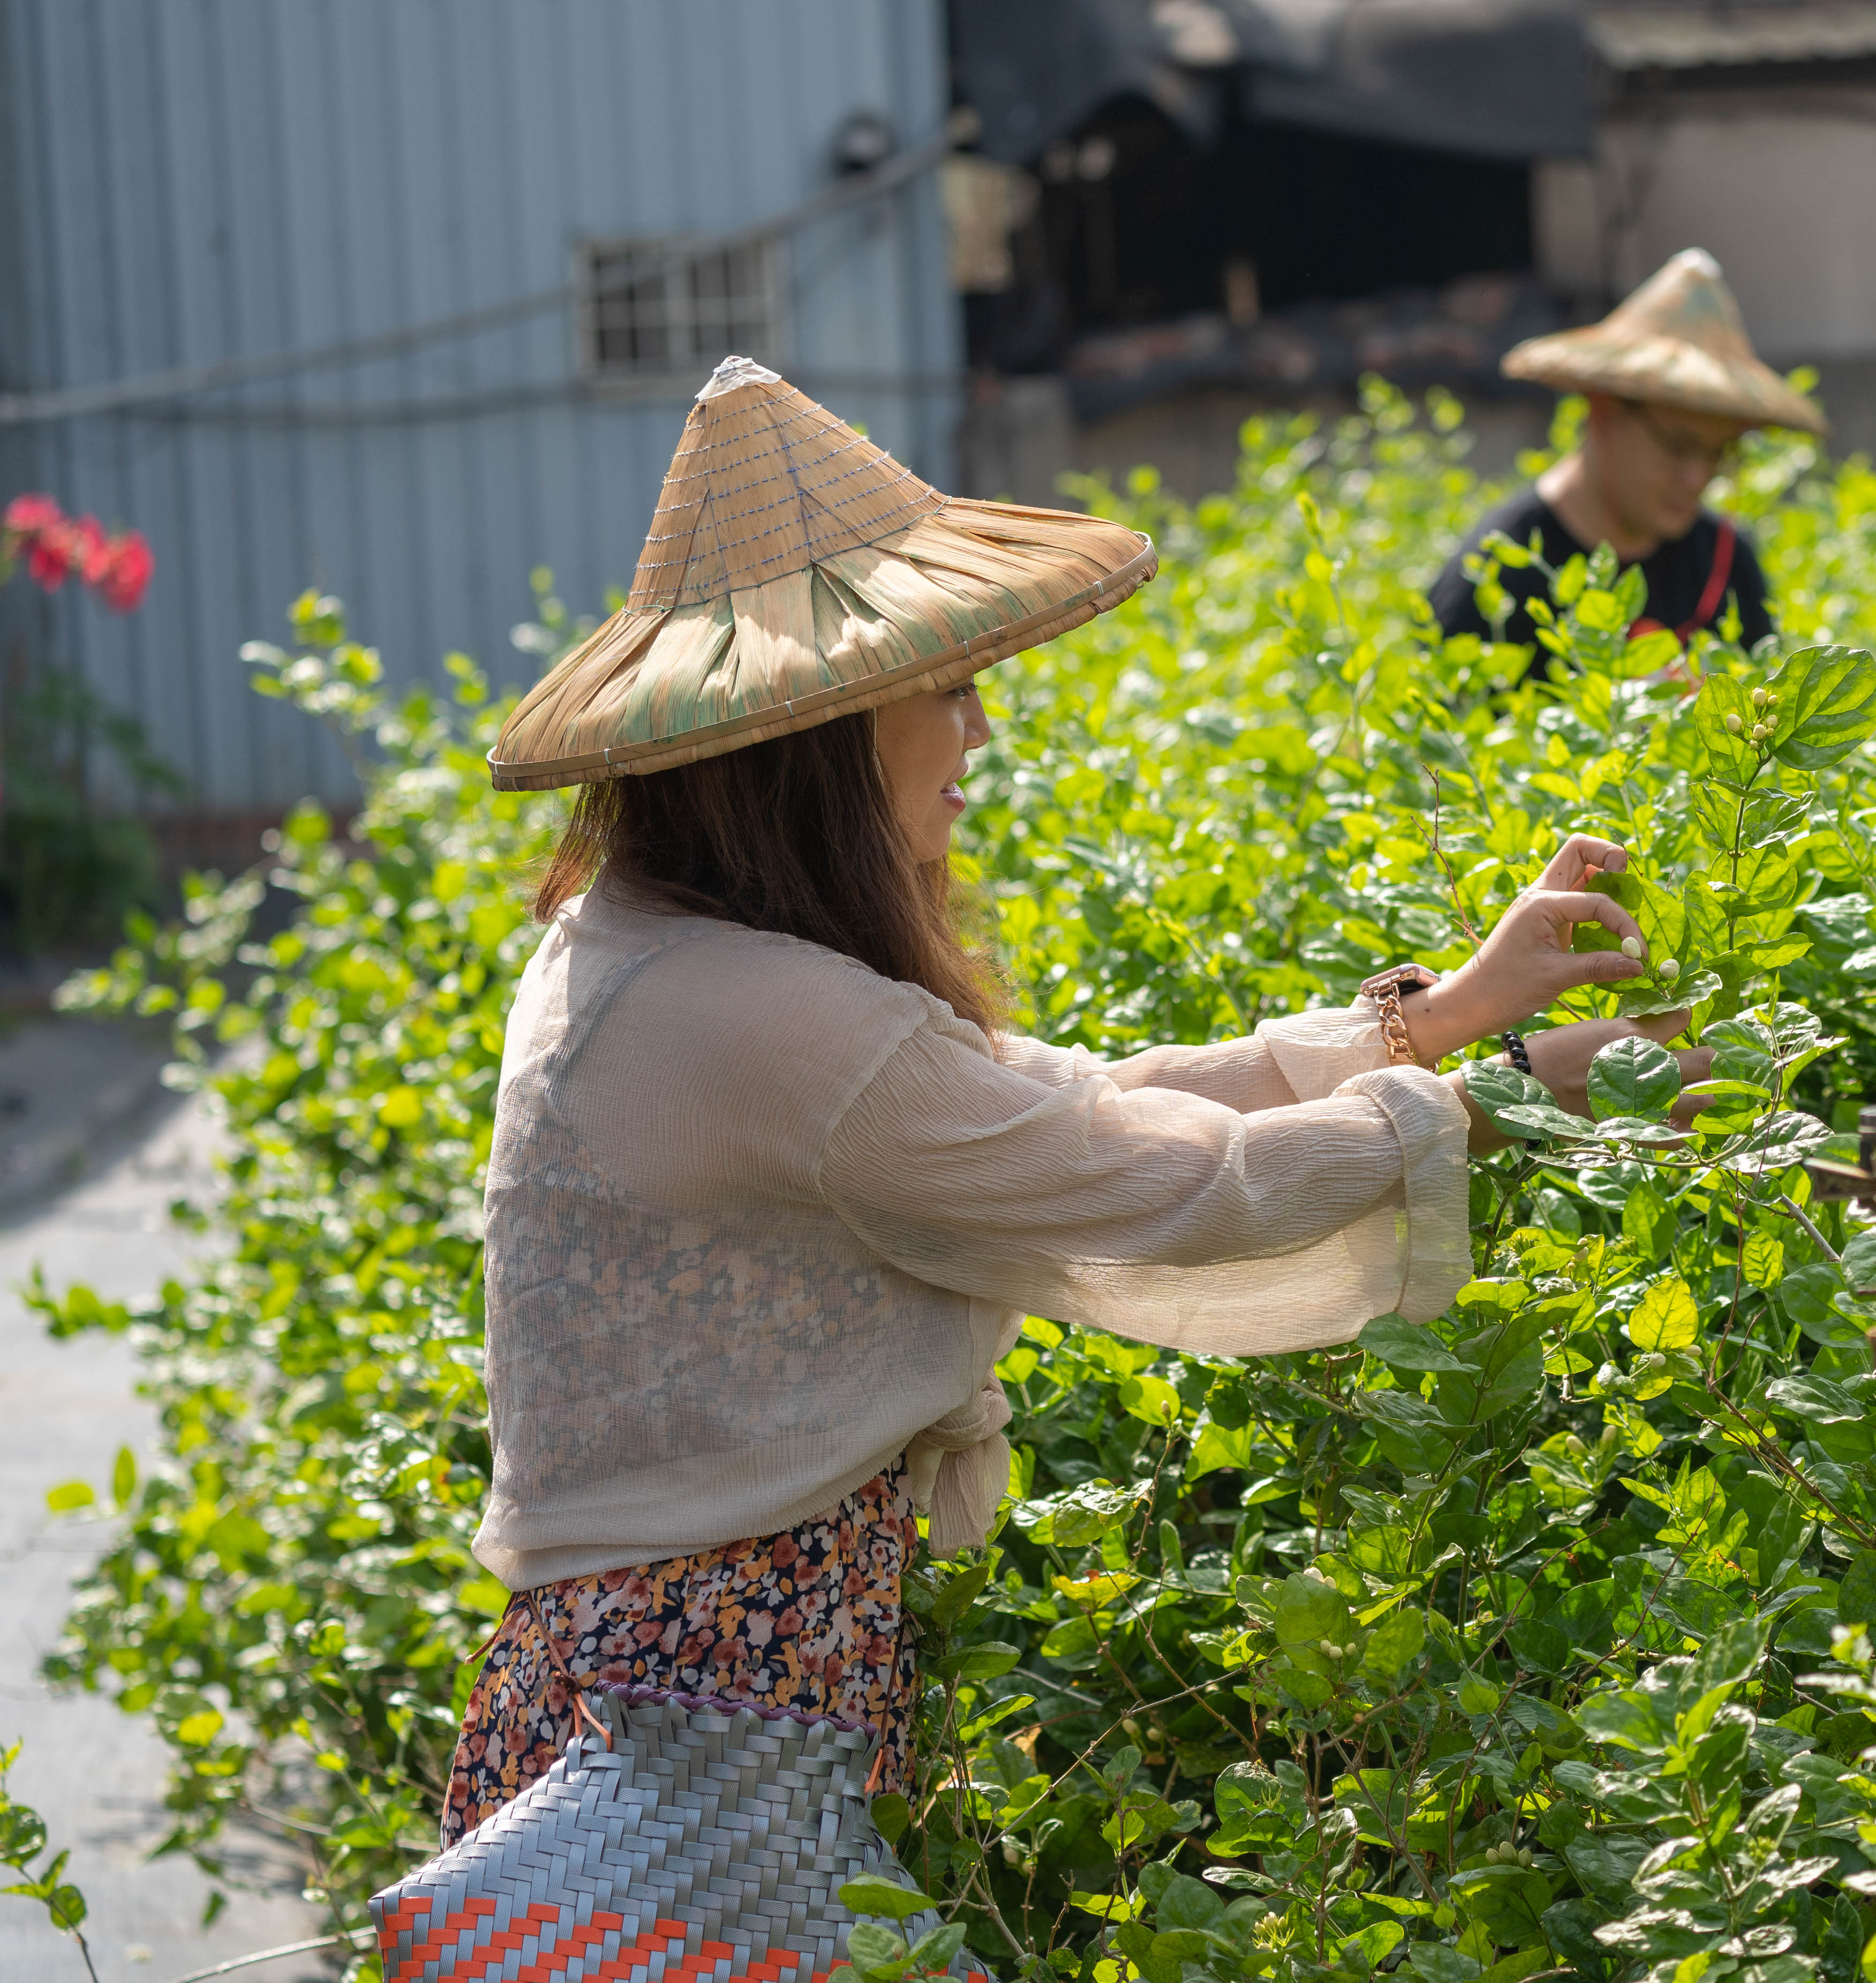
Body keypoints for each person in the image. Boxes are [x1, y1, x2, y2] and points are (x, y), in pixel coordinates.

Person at [448, 356, 1705, 1844]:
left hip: (636, 1696)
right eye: (953, 690)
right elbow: (1175, 1188)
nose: (977, 737)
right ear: (827, 724)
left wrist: (1435, 1023)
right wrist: (1503, 1094)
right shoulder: (766, 1019)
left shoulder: (652, 948)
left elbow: (1064, 1108)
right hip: (707, 1714)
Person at [1429, 247, 1825, 663]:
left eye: (1717, 454)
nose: (1697, 478)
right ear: (1604, 410)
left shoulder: (1726, 562)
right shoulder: (1497, 578)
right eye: (1678, 446)